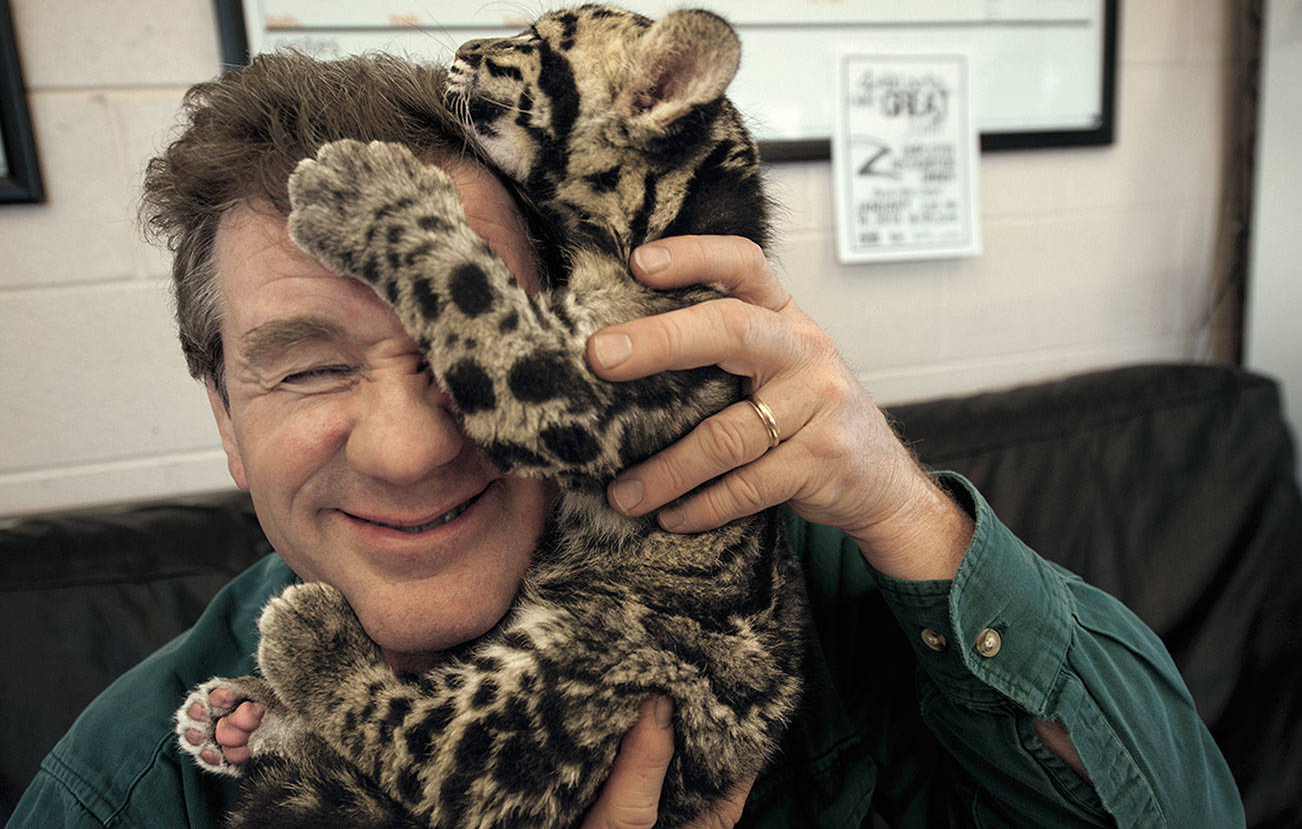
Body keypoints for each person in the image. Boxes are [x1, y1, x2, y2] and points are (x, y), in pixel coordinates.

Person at [10, 51, 1242, 828]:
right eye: (312, 369)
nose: (404, 449)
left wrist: (906, 509)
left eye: (462, 336)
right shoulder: (127, 785)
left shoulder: (813, 584)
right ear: (227, 424)